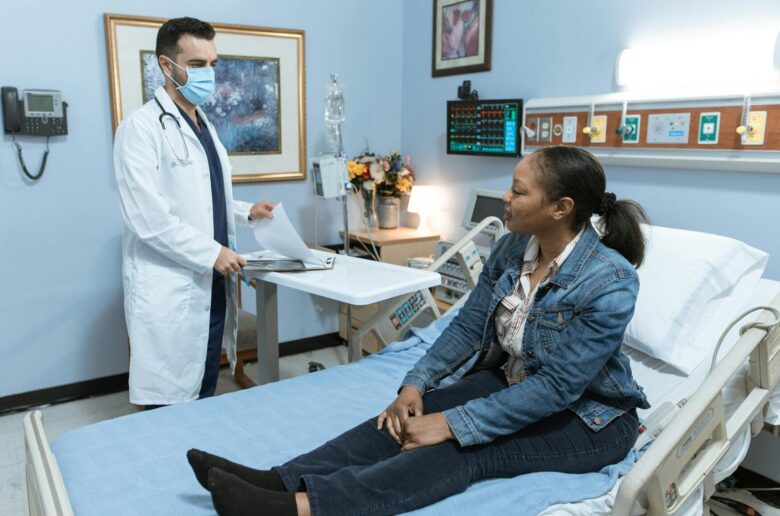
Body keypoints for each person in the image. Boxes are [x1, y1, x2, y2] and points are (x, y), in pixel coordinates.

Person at [186, 146, 651, 516]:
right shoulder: (514, 248)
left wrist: (452, 424)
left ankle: (299, 508)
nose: (505, 198)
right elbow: (469, 325)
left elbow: (558, 386)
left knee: (467, 448)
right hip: (514, 381)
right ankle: (278, 479)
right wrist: (417, 384)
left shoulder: (609, 280)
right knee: (400, 422)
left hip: (591, 419)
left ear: (560, 208)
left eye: (518, 191)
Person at [113, 17, 274, 409]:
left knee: (204, 387)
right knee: (167, 403)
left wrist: (245, 212)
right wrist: (212, 253)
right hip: (174, 284)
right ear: (167, 66)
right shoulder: (140, 129)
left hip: (210, 281)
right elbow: (147, 219)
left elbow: (205, 198)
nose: (209, 74)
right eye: (197, 65)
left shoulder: (206, 127)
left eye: (213, 64)